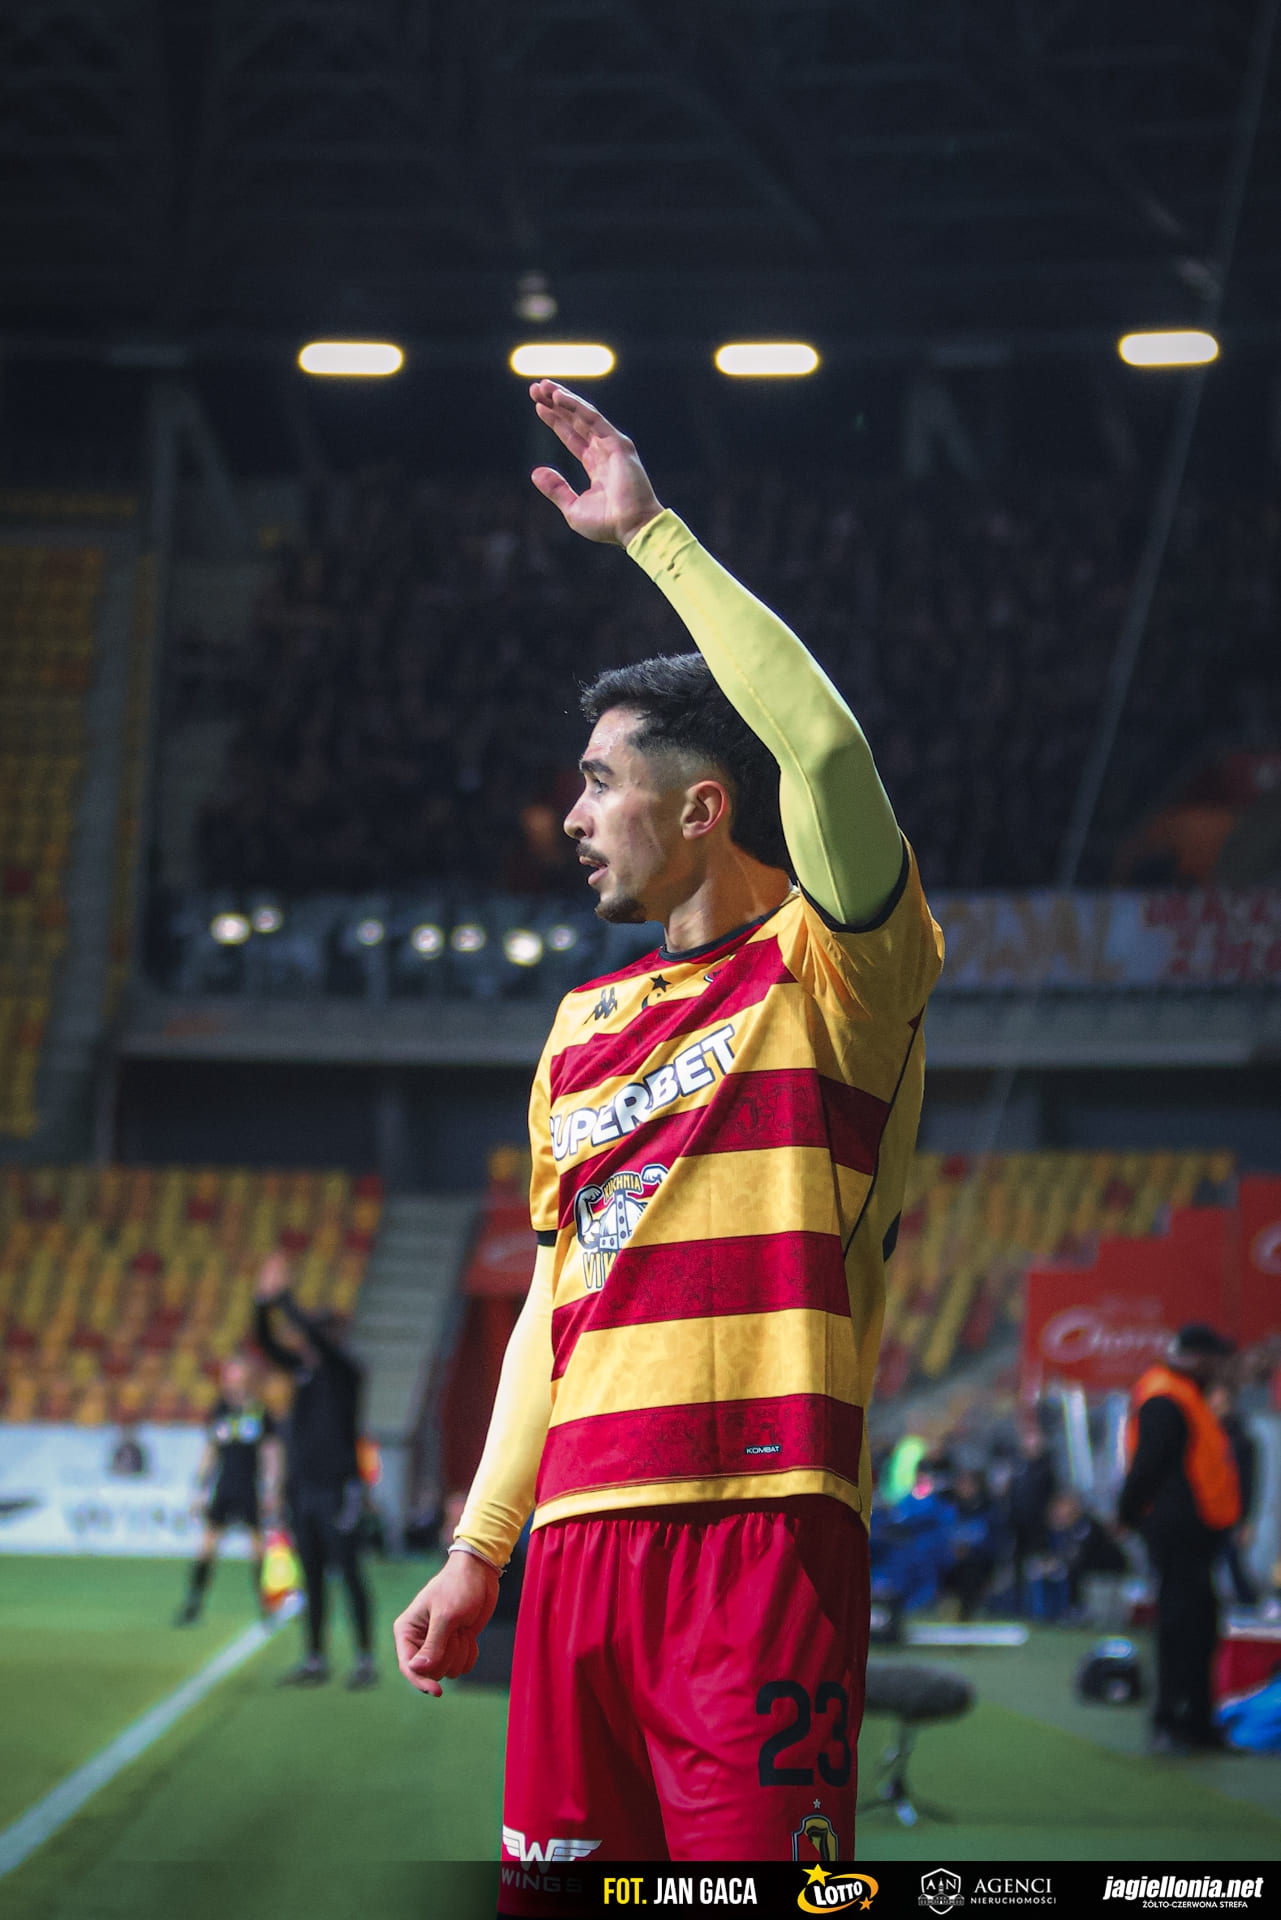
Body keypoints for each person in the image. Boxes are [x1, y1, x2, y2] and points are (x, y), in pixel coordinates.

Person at [394, 380, 944, 1864]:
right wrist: (481, 1547)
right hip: (577, 1546)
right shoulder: (577, 1030)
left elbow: (823, 756)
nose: (571, 819)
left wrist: (654, 540)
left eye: (598, 784)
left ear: (703, 808)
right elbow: (552, 1309)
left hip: (761, 1530)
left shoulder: (838, 966)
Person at [254, 1253, 377, 1688]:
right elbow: (265, 1343)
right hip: (303, 1490)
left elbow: (311, 1338)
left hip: (338, 1490)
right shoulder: (304, 1373)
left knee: (349, 1573)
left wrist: (284, 1298)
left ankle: (364, 1658)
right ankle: (315, 1658)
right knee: (312, 1576)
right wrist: (262, 1303)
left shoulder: (347, 1372)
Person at [1119, 1322, 1242, 1754]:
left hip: (1194, 1531)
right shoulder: (1167, 1397)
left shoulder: (1184, 1395)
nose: (1220, 1366)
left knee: (1200, 1623)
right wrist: (1127, 1513)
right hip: (1178, 1530)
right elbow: (1148, 1465)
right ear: (1194, 1358)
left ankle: (1196, 1722)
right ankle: (1170, 1721)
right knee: (1180, 1625)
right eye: (1214, 1358)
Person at [175, 1354, 282, 1626]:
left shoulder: (260, 1412)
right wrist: (200, 1487)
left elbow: (270, 1453)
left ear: (246, 1379)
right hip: (224, 1485)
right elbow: (210, 1450)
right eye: (228, 1376)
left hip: (250, 1486)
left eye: (235, 1376)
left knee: (258, 1549)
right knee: (207, 1546)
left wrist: (271, 1489)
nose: (231, 1381)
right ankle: (193, 1604)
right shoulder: (220, 1410)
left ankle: (267, 1606)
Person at [1206, 1380, 1259, 1607]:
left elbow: (1247, 1482)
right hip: (1209, 1508)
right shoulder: (1205, 1435)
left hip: (1229, 1511)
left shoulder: (1241, 1440)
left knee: (1230, 1558)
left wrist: (1245, 1519)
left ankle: (1248, 1600)